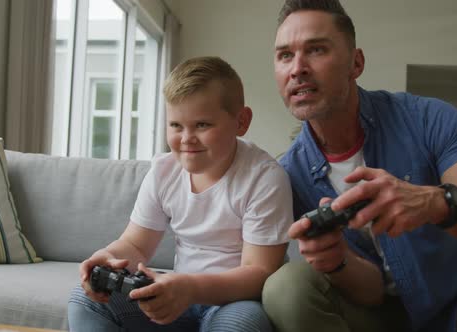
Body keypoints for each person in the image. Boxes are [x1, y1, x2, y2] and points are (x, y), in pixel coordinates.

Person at [261, 1, 457, 331]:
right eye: (285, 55)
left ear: (356, 63)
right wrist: (338, 261)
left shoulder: (428, 119)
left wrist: (435, 203)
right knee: (286, 288)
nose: (297, 68)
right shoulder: (287, 174)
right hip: (373, 316)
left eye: (316, 50)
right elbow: (371, 292)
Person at [67, 56, 294, 332]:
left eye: (202, 125)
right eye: (176, 125)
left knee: (243, 325)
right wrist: (106, 256)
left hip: (234, 301)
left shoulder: (264, 178)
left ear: (241, 121)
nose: (186, 139)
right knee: (85, 300)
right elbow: (137, 246)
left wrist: (190, 288)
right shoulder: (164, 171)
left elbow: (259, 273)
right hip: (177, 292)